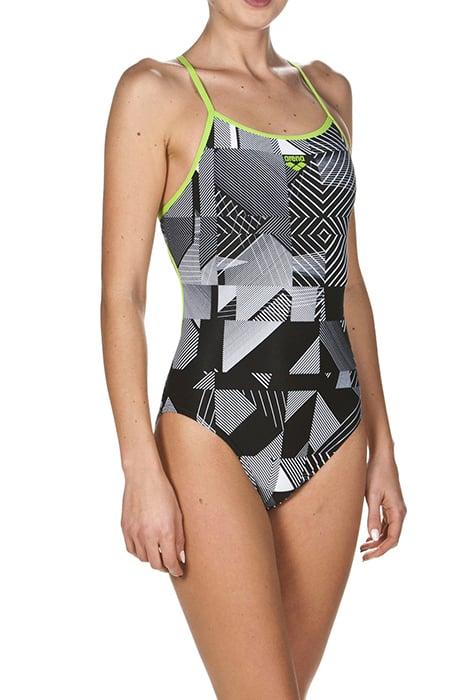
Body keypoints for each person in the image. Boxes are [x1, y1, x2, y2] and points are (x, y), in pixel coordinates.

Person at [101, 1, 407, 696]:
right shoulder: (157, 91)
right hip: (212, 420)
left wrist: (383, 446)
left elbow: (348, 284)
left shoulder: (329, 92)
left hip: (332, 423)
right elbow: (123, 296)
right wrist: (139, 469)